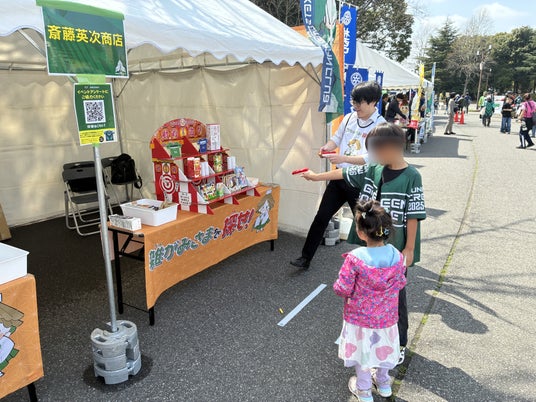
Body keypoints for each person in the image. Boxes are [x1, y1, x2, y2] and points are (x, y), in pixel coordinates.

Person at [300, 123, 426, 365]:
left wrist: (409, 248)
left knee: (396, 296)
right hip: (372, 244)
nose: (374, 155)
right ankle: (371, 339)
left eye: (377, 150)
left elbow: (414, 214)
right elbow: (344, 174)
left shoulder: (412, 176)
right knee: (367, 293)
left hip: (395, 248)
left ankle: (398, 343)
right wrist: (316, 177)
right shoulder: (374, 168)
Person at [290, 81, 386, 270]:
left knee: (367, 224)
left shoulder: (381, 125)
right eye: (354, 101)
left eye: (360, 102)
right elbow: (336, 139)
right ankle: (305, 258)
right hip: (339, 178)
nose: (356, 106)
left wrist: (343, 158)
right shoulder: (349, 118)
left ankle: (377, 264)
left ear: (373, 102)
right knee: (322, 216)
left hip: (361, 182)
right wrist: (326, 148)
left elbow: (373, 158)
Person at [334, 200, 406, 402]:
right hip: (387, 317)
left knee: (363, 352)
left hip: (360, 318)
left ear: (361, 232)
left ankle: (364, 389)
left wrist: (338, 287)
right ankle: (383, 383)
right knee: (384, 348)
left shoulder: (355, 258)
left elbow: (343, 287)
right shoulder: (396, 256)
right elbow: (401, 282)